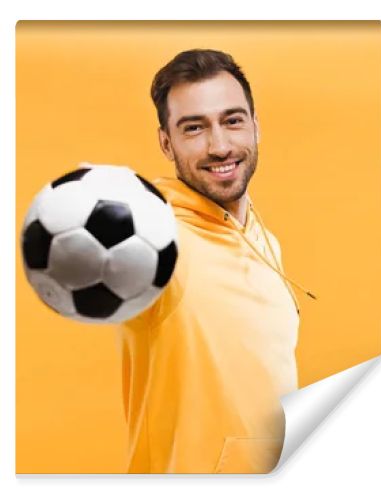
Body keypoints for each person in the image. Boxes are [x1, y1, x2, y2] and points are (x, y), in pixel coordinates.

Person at [118, 48, 313, 474]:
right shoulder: (155, 242)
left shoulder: (264, 241)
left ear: (255, 127)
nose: (220, 146)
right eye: (194, 128)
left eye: (232, 120)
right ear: (166, 142)